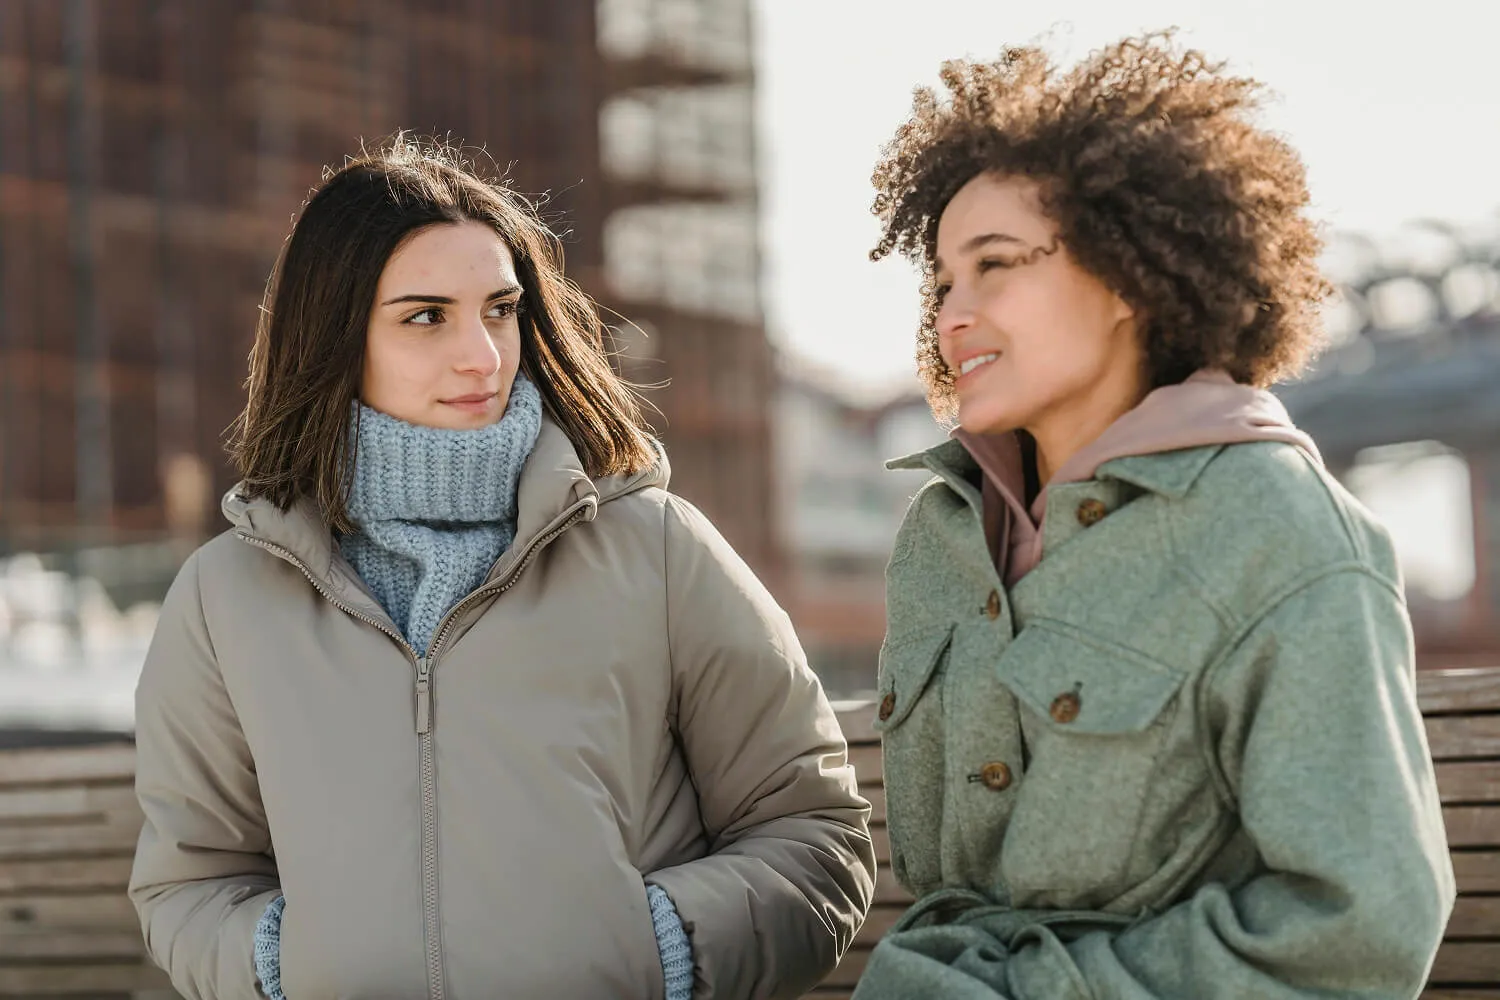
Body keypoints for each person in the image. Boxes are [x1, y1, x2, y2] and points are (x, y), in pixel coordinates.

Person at [128, 138, 875, 1000]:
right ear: (333, 336)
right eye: (425, 316)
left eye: (500, 309)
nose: (482, 355)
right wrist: (281, 971)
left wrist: (656, 953)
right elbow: (190, 881)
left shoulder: (656, 550)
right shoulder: (228, 597)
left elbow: (813, 831)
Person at [852, 32, 1455, 999]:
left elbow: (1362, 929)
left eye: (995, 264)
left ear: (1128, 273)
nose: (951, 313)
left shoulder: (1278, 532)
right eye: (943, 280)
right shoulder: (942, 533)